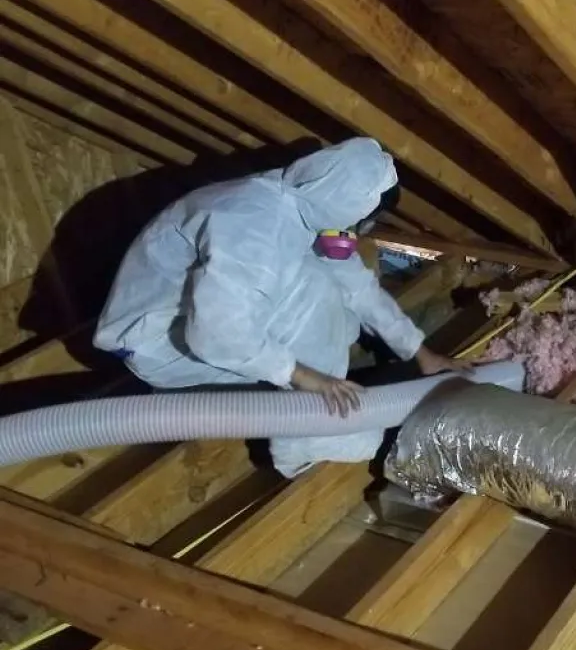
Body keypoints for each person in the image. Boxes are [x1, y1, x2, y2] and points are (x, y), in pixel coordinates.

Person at [94, 137, 469, 478]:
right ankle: (307, 435)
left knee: (339, 303)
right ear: (352, 208)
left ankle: (310, 407)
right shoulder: (256, 227)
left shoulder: (305, 198)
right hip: (158, 343)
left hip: (182, 314)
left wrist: (420, 353)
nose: (359, 231)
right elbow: (214, 334)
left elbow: (356, 285)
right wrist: (305, 377)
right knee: (314, 293)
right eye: (361, 223)